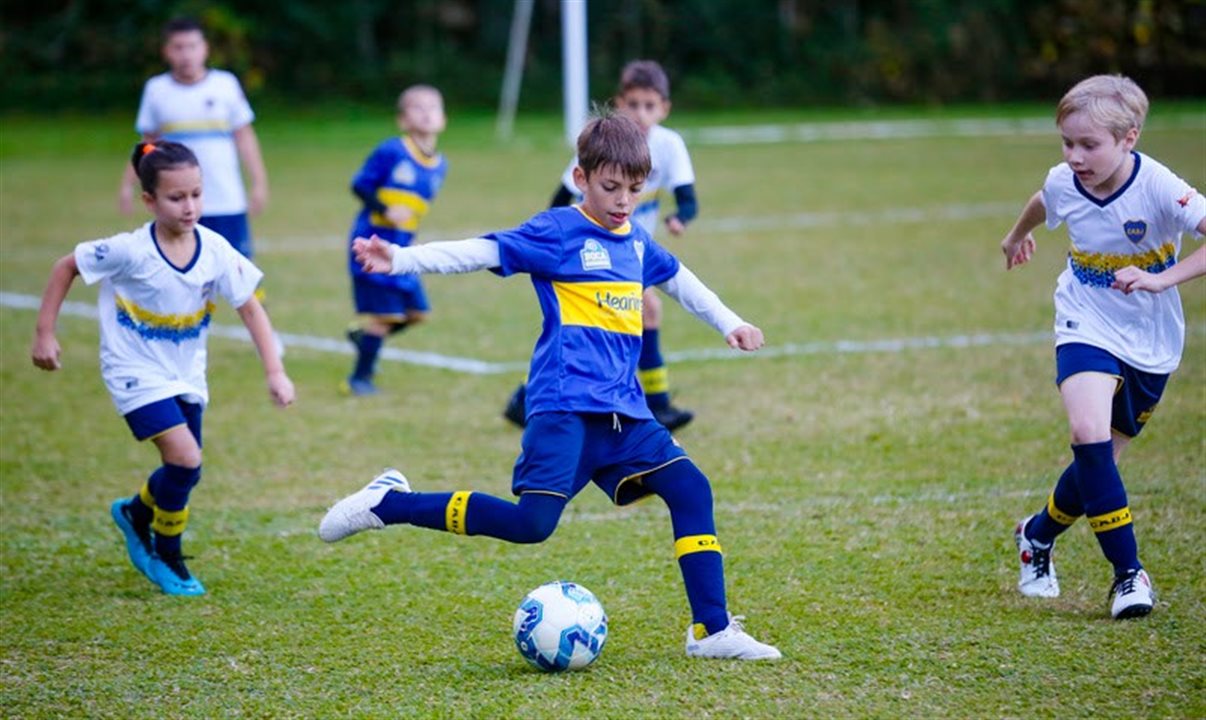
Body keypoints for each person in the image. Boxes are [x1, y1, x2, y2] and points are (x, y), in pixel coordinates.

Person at [320, 113, 780, 660]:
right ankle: (390, 503)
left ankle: (712, 630)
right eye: (611, 187)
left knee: (690, 488)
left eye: (635, 189)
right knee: (531, 525)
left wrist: (730, 321)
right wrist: (401, 259)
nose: (624, 201)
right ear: (581, 178)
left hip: (624, 415)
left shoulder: (634, 242)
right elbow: (483, 250)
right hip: (563, 407)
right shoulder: (558, 231)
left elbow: (679, 279)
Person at [34, 141, 295, 596]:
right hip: (133, 368)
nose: (190, 206)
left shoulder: (214, 249)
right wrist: (44, 333)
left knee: (186, 471)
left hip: (186, 372)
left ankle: (136, 512)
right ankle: (165, 553)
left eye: (196, 194)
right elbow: (66, 266)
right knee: (185, 458)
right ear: (149, 201)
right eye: (177, 197)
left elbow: (251, 309)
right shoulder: (129, 251)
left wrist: (274, 371)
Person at [1001, 75, 1205, 619]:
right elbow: (1046, 199)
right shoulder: (1066, 179)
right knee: (1086, 433)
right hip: (1084, 317)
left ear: (1129, 138)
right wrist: (1017, 235)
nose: (1075, 156)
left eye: (1089, 145)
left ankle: (1037, 535)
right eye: (1068, 143)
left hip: (1150, 336)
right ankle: (1128, 575)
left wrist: (1163, 279)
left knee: (1100, 462)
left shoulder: (1160, 186)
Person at [504, 60, 698, 431]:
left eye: (649, 105)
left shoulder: (669, 145)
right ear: (618, 103)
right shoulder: (603, 146)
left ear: (664, 108)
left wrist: (680, 218)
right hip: (595, 250)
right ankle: (657, 404)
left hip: (633, 250)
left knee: (608, 326)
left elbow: (689, 199)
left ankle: (525, 398)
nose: (641, 114)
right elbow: (559, 200)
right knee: (630, 317)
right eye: (633, 104)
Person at [118, 17, 269, 262]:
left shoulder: (225, 85)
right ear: (166, 51)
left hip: (226, 200)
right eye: (178, 47)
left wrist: (259, 182)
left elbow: (245, 137)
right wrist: (128, 184)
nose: (186, 54)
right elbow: (147, 144)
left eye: (192, 46)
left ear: (205, 48)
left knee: (240, 271)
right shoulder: (157, 90)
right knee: (182, 271)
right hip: (176, 203)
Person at [342, 85, 448, 396]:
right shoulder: (392, 151)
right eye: (418, 107)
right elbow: (360, 185)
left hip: (402, 252)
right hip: (372, 247)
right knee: (385, 315)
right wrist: (385, 210)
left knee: (417, 314)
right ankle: (359, 379)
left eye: (433, 107)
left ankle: (365, 340)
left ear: (443, 120)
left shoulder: (440, 164)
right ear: (402, 120)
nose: (427, 113)